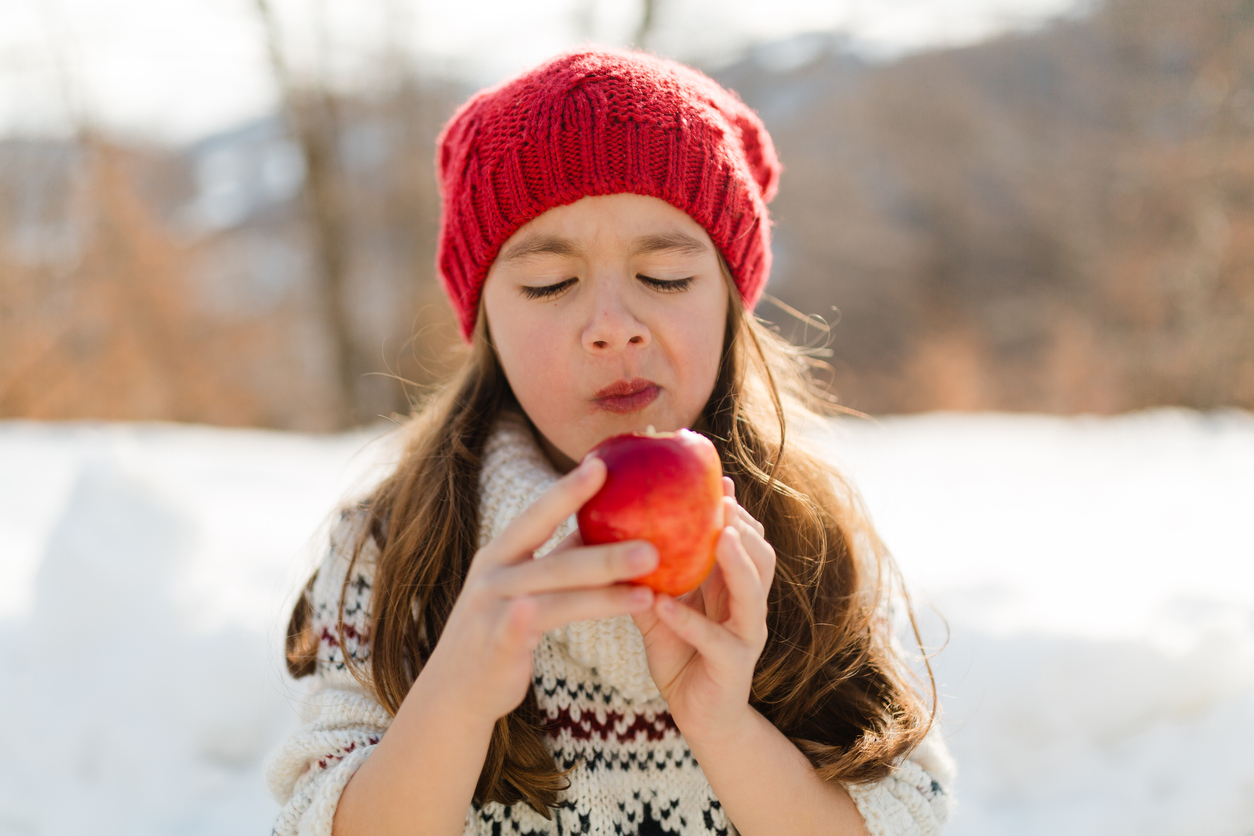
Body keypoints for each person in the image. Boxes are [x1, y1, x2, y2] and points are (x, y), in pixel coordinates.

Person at [265, 48, 955, 836]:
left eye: (664, 275)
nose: (613, 329)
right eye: (549, 285)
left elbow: (908, 819)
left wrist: (727, 728)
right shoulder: (395, 552)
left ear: (731, 301)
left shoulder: (807, 543)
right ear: (485, 318)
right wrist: (453, 697)